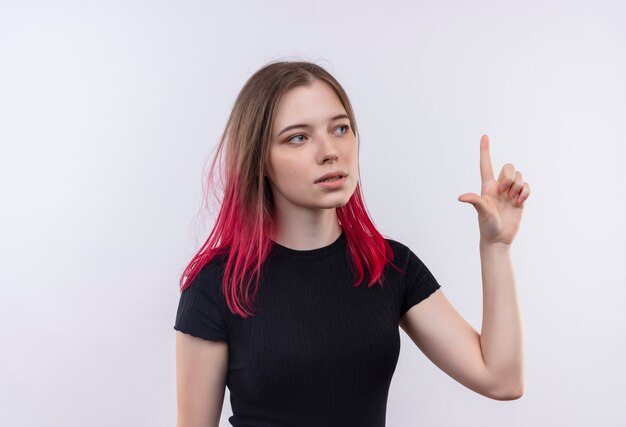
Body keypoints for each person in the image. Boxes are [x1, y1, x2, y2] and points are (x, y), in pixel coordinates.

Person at [173, 60, 530, 427]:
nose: (330, 151)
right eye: (298, 136)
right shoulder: (216, 285)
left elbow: (501, 380)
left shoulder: (389, 266)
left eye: (340, 128)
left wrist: (497, 248)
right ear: (259, 159)